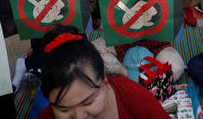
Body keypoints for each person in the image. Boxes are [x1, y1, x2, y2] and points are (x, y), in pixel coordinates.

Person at [36, 26, 170, 119]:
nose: (79, 117)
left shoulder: (134, 98)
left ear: (105, 77)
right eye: (64, 110)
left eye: (88, 103)